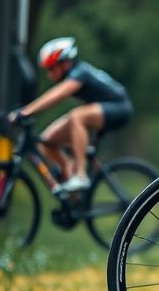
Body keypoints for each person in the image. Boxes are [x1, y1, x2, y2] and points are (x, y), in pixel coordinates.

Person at [10, 37, 133, 194]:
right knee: (46, 140)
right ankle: (71, 180)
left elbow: (57, 94)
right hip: (101, 109)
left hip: (120, 108)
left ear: (65, 63)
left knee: (77, 116)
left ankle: (81, 176)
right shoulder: (75, 73)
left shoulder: (80, 72)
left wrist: (25, 111)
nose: (49, 75)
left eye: (51, 68)